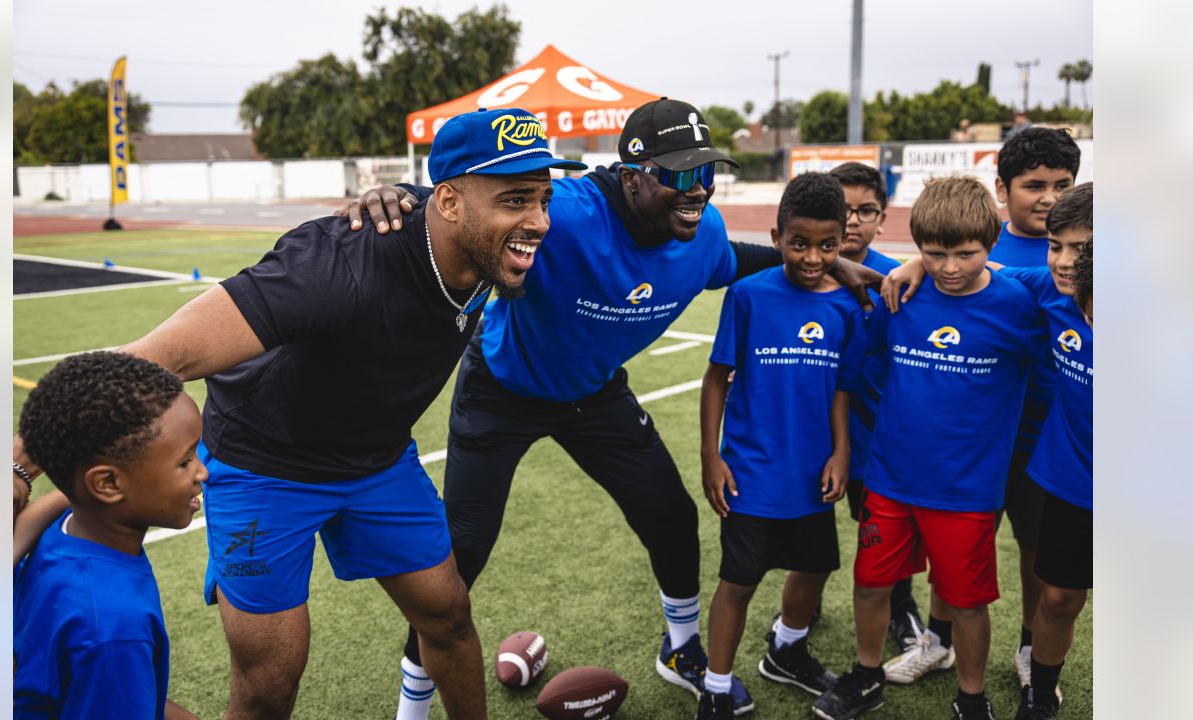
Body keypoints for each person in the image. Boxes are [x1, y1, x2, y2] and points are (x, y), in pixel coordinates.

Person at [11, 106, 587, 720]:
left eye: (544, 200)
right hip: (264, 464)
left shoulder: (472, 231)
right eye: (518, 200)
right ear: (449, 204)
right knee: (270, 683)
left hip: (377, 460)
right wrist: (18, 467)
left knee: (447, 617)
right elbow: (159, 356)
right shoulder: (335, 264)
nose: (539, 222)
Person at [341, 98, 887, 720]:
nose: (697, 190)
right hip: (503, 391)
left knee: (673, 519)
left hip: (595, 395)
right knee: (463, 552)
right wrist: (398, 195)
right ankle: (412, 705)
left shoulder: (701, 233)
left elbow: (735, 260)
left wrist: (836, 264)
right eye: (679, 175)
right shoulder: (566, 214)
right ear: (631, 178)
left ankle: (681, 650)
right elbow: (477, 199)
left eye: (706, 173)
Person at [811, 177, 1046, 720]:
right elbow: (860, 373)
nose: (950, 268)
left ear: (991, 245)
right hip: (891, 480)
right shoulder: (902, 295)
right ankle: (867, 675)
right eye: (934, 254)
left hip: (966, 490)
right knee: (871, 586)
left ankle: (971, 698)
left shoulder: (1019, 304)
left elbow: (1069, 280)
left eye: (966, 254)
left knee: (966, 602)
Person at [878, 183, 1093, 720]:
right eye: (1056, 246)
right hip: (1073, 482)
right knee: (1059, 597)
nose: (1065, 261)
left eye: (1082, 249)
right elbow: (967, 263)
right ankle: (1039, 694)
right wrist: (917, 264)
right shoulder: (1048, 291)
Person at [695, 173, 863, 720]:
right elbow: (717, 378)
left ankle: (787, 648)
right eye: (799, 243)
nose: (812, 257)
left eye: (827, 245)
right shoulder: (748, 295)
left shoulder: (845, 307)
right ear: (776, 236)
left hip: (811, 472)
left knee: (814, 568)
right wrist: (710, 455)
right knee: (737, 583)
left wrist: (841, 453)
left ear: (841, 242)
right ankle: (716, 688)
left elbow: (842, 389)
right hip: (750, 474)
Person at [13, 351, 204, 720]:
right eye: (185, 461)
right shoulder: (113, 627)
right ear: (107, 484)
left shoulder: (59, 532)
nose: (203, 472)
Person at [989, 127, 1081, 689]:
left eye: (1062, 184)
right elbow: (946, 263)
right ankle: (938, 637)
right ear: (1003, 189)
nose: (1048, 197)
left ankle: (1030, 645)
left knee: (1037, 549)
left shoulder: (1083, 250)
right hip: (981, 428)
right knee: (963, 535)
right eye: (1034, 185)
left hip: (1049, 439)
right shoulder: (978, 243)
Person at [828, 162, 923, 654]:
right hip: (814, 434)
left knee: (887, 532)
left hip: (880, 438)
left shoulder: (899, 279)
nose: (853, 221)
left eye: (866, 211)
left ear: (882, 218)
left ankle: (902, 607)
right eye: (843, 209)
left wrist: (922, 263)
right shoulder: (803, 273)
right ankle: (801, 607)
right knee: (811, 528)